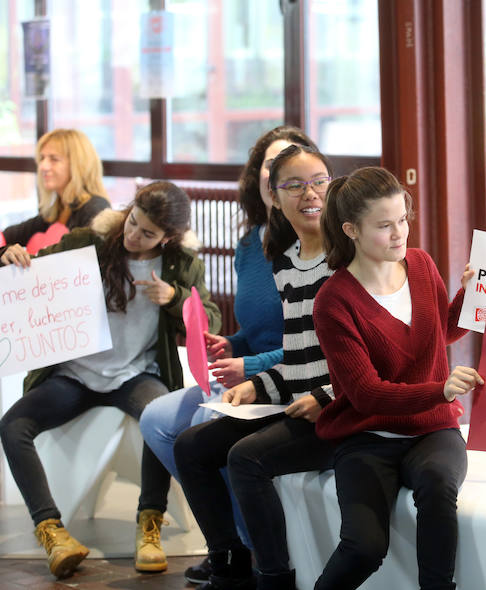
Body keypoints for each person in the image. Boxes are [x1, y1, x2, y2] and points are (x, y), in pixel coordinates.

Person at [0, 181, 220, 579]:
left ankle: (149, 524)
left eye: (147, 232)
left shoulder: (181, 263)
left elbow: (211, 321)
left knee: (160, 417)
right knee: (13, 425)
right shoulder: (90, 241)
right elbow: (30, 268)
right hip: (75, 374)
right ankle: (51, 531)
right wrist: (6, 255)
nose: (134, 235)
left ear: (168, 237)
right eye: (133, 222)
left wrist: (174, 298)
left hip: (135, 374)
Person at [137, 125, 317, 584]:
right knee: (156, 420)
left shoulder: (313, 245)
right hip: (245, 371)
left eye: (298, 173)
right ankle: (229, 541)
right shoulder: (248, 244)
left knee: (203, 428)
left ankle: (251, 548)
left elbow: (310, 343)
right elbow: (256, 327)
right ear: (262, 180)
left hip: (282, 377)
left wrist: (250, 366)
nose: (283, 177)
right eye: (271, 167)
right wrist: (230, 344)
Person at [173, 144, 337, 590]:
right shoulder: (286, 266)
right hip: (297, 399)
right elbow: (300, 355)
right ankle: (228, 563)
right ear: (275, 197)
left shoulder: (347, 261)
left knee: (245, 458)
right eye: (295, 185)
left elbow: (356, 360)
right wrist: (257, 387)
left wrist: (320, 397)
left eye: (319, 181)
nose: (310, 194)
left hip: (339, 409)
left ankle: (273, 579)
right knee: (190, 447)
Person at [311, 166, 483, 590]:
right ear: (350, 229)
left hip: (432, 428)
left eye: (403, 220)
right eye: (384, 226)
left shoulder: (421, 265)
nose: (399, 233)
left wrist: (471, 297)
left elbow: (440, 331)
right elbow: (367, 394)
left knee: (439, 487)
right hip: (367, 435)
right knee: (364, 548)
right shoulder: (333, 301)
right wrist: (439, 390)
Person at [0, 128, 111, 475]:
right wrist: (5, 253)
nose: (43, 167)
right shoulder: (55, 211)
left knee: (4, 347)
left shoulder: (95, 210)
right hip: (52, 321)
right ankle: (2, 443)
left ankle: (3, 444)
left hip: (80, 332)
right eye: (41, 159)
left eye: (53, 158)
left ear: (75, 163)